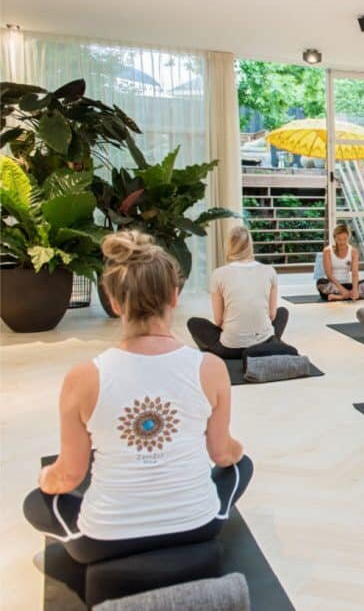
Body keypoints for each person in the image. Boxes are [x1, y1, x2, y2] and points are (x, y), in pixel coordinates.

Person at [23, 231, 252, 565]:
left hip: (104, 542)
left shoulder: (83, 377)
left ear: (115, 303)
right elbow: (222, 454)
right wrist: (238, 450)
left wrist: (47, 479)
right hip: (198, 527)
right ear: (174, 296)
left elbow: (70, 476)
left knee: (35, 502)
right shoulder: (211, 368)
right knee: (241, 467)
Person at [187, 226, 288, 359]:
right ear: (250, 245)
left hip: (230, 349)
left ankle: (217, 352)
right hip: (263, 342)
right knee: (282, 312)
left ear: (229, 245)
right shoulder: (270, 271)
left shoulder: (219, 273)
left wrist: (238, 331)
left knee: (193, 323)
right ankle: (271, 344)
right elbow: (272, 315)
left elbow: (218, 321)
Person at [317, 224, 364, 301]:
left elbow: (355, 274)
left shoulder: (353, 251)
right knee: (320, 283)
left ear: (348, 237)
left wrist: (355, 289)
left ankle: (340, 297)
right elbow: (329, 275)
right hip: (333, 285)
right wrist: (342, 290)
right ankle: (350, 295)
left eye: (345, 239)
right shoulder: (327, 251)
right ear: (334, 238)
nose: (342, 242)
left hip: (348, 285)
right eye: (339, 239)